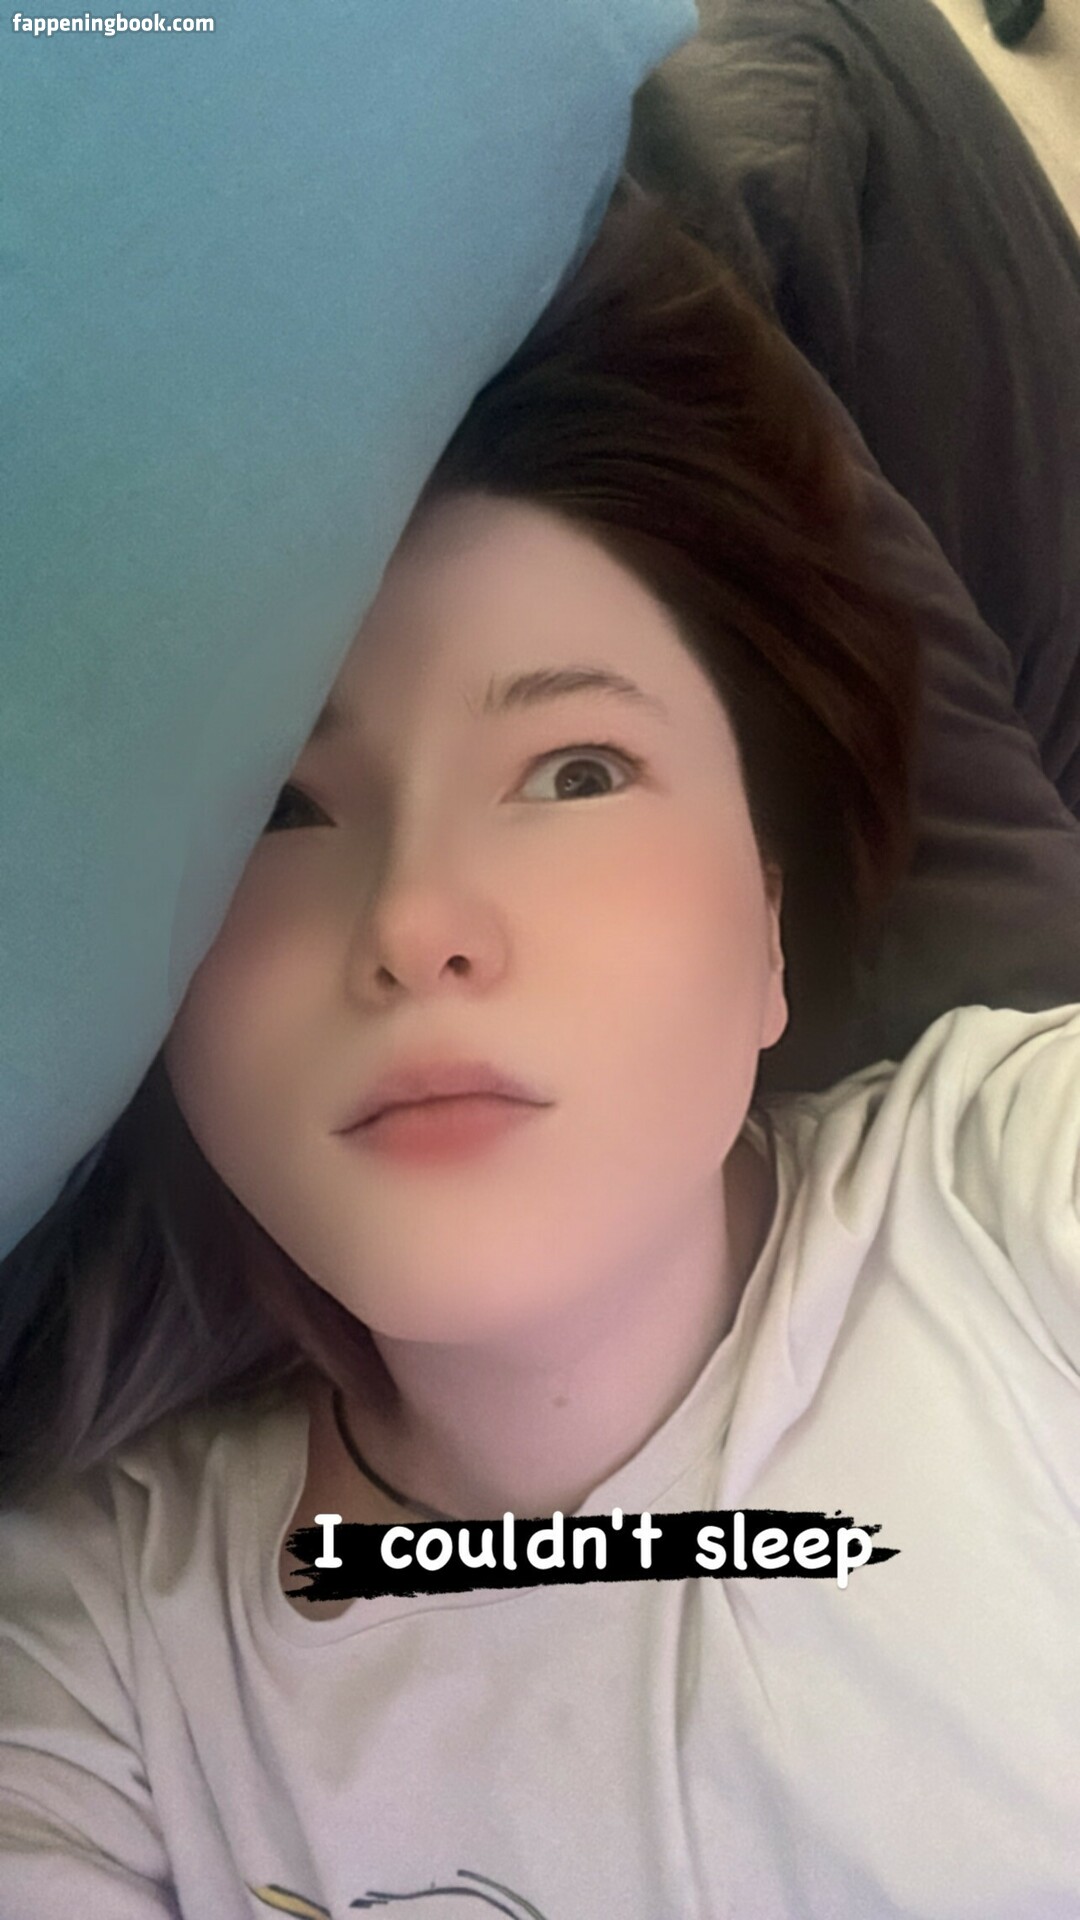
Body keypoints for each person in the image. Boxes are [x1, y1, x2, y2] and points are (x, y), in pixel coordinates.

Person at [0, 183, 1077, 1920]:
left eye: (577, 771)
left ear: (772, 931)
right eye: (281, 808)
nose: (419, 919)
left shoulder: (1014, 1208)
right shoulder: (89, 1667)